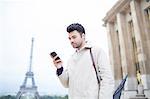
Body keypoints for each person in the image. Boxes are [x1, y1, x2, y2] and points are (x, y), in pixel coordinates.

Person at [51, 23, 114, 99]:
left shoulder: (96, 51)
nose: (71, 40)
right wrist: (59, 68)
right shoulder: (71, 59)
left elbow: (107, 80)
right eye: (69, 38)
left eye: (74, 37)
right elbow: (66, 84)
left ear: (83, 36)